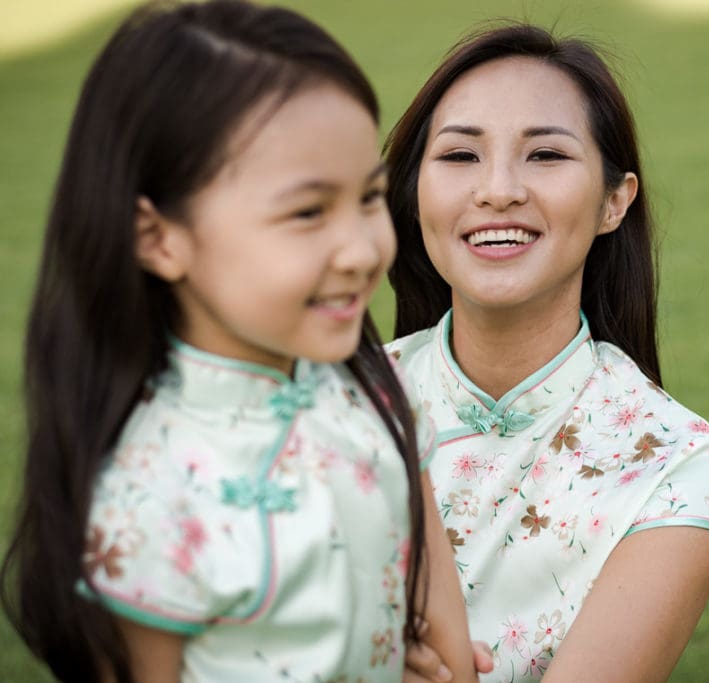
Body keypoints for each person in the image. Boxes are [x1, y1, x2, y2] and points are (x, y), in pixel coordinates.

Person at [0, 2, 477, 681]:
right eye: (308, 210)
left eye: (369, 197)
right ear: (158, 236)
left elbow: (448, 641)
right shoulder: (147, 492)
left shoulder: (375, 391)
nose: (360, 248)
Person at [386, 24, 709, 683]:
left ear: (614, 201)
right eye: (460, 156)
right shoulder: (330, 397)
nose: (497, 189)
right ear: (414, 195)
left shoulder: (672, 466)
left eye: (545, 155)